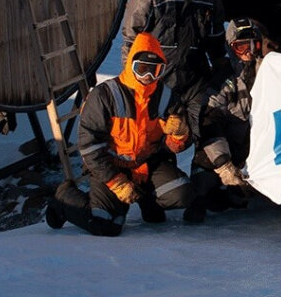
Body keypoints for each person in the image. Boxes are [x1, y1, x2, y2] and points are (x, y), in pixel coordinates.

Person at [45, 32, 194, 236]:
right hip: (112, 167)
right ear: (131, 66)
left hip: (146, 165)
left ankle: (145, 200)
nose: (148, 77)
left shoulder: (167, 97)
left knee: (182, 193)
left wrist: (180, 135)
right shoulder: (104, 96)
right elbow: (90, 148)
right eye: (142, 69)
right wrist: (117, 182)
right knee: (106, 225)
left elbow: (175, 147)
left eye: (155, 70)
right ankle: (64, 199)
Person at [121, 0, 229, 127]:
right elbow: (131, 38)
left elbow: (216, 34)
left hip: (195, 76)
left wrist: (220, 65)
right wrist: (131, 77)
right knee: (158, 127)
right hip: (158, 75)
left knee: (193, 127)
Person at [184, 18, 264, 223]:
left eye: (254, 44)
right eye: (241, 46)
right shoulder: (221, 79)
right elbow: (209, 122)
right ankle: (207, 190)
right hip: (230, 148)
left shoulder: (269, 70)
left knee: (239, 199)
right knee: (205, 182)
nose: (249, 51)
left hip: (259, 147)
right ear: (231, 48)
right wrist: (223, 164)